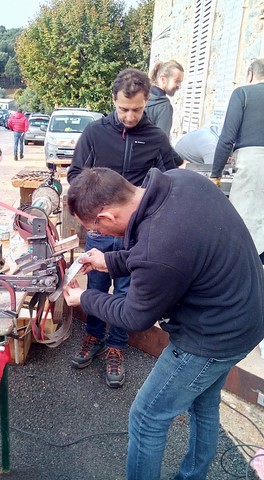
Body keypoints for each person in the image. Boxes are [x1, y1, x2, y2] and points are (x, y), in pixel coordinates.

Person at [64, 166, 264, 480]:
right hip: (246, 317)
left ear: (107, 216)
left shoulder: (161, 244)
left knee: (147, 418)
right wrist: (109, 261)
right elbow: (158, 252)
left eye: (97, 230)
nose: (100, 236)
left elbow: (136, 315)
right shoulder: (182, 181)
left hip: (212, 337)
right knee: (204, 405)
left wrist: (84, 300)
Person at [67, 68, 177, 388]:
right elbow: (76, 173)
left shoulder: (155, 137)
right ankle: (93, 337)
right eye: (123, 109)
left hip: (136, 231)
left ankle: (116, 345)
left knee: (128, 293)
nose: (130, 116)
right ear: (113, 100)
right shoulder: (94, 132)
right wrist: (91, 201)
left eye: (137, 109)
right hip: (101, 228)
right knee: (97, 287)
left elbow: (171, 178)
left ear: (147, 103)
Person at [210, 58, 264, 264]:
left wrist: (216, 174)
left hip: (252, 165)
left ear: (250, 75)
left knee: (244, 224)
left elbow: (227, 138)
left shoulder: (242, 93)